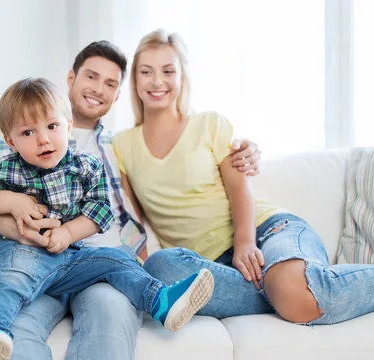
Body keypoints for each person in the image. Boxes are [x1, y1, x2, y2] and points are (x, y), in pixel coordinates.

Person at [0, 41, 261, 360]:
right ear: (71, 78)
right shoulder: (22, 131)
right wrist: (22, 230)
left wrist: (246, 150)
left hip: (103, 266)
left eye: (110, 84)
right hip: (37, 261)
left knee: (110, 317)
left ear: (117, 97)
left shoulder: (122, 145)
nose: (98, 88)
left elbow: (183, 162)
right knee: (11, 327)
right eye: (91, 76)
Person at [0, 77, 214, 360]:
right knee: (10, 278)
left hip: (68, 256)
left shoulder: (86, 165)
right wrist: (10, 201)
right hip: (22, 251)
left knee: (116, 260)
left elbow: (99, 211)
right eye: (28, 132)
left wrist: (68, 233)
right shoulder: (6, 167)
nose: (43, 140)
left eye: (52, 127)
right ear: (11, 141)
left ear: (68, 126)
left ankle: (160, 301)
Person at [115, 28, 374, 326]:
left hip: (268, 231)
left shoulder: (209, 124)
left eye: (168, 71)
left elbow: (240, 190)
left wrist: (245, 244)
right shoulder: (122, 146)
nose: (157, 81)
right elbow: (131, 220)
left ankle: (287, 289)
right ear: (134, 79)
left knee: (295, 294)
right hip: (212, 268)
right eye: (146, 72)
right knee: (159, 265)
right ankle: (280, 293)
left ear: (182, 77)